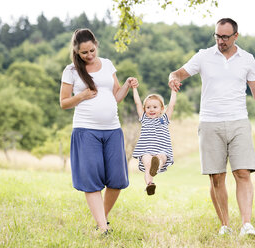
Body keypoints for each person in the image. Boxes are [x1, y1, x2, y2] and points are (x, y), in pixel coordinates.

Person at [168, 18, 255, 236]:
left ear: (236, 36)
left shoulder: (247, 59)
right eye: (217, 36)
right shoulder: (204, 56)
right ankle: (225, 225)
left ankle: (246, 225)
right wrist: (173, 78)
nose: (221, 40)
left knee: (243, 172)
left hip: (238, 121)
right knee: (216, 176)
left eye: (225, 37)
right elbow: (179, 73)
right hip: (210, 122)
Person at [59, 28, 138, 235]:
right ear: (76, 51)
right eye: (84, 53)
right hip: (86, 131)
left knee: (117, 179)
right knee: (91, 181)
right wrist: (82, 96)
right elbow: (64, 103)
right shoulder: (71, 71)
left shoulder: (108, 64)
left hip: (112, 129)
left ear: (96, 44)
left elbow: (116, 96)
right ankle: (103, 228)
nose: (89, 55)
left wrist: (128, 85)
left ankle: (100, 220)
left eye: (92, 50)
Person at [131, 85, 177, 195]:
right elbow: (137, 103)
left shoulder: (164, 119)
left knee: (160, 157)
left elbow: (171, 105)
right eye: (148, 107)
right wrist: (134, 88)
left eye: (155, 107)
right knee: (148, 164)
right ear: (144, 109)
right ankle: (150, 184)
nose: (151, 109)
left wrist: (173, 91)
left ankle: (157, 164)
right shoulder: (144, 119)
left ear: (161, 109)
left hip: (162, 150)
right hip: (146, 151)